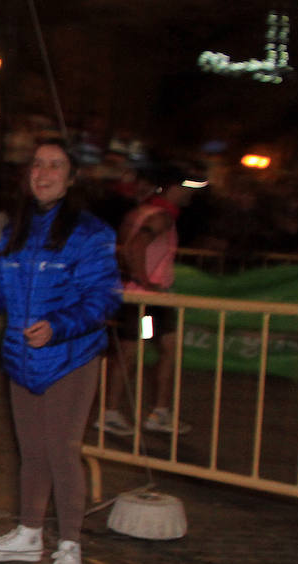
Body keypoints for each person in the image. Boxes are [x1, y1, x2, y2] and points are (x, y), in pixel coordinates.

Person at [0, 138, 120, 564]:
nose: (43, 173)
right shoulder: (17, 228)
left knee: (61, 451)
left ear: (71, 178)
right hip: (20, 358)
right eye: (37, 165)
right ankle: (29, 534)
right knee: (31, 452)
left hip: (70, 358)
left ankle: (70, 547)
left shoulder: (91, 232)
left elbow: (103, 298)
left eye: (54, 166)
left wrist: (58, 325)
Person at [99, 169, 196, 437]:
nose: (189, 193)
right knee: (140, 353)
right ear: (170, 188)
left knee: (155, 349)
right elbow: (134, 247)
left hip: (139, 298)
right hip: (146, 301)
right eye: (185, 187)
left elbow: (123, 247)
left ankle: (148, 411)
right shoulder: (161, 218)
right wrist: (144, 281)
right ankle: (128, 411)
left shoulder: (138, 213)